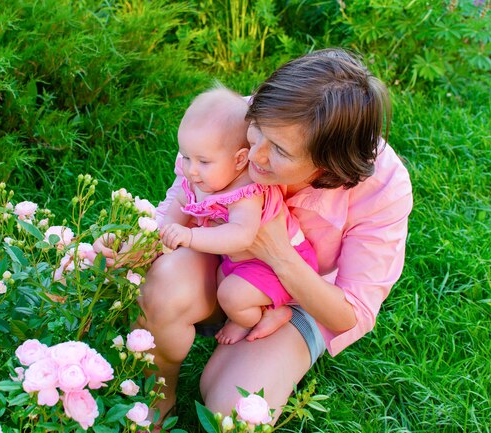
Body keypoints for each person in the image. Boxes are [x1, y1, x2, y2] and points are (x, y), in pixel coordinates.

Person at [109, 48, 412, 423]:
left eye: (280, 150)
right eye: (257, 133)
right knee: (164, 285)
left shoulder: (383, 185)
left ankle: (263, 330)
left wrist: (279, 254)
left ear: (327, 162)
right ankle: (156, 401)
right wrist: (139, 247)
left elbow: (350, 313)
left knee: (234, 411)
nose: (254, 155)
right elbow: (185, 192)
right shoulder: (243, 118)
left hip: (303, 293)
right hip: (219, 257)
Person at [159, 87, 319, 345]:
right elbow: (179, 204)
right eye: (186, 157)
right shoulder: (204, 180)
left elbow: (241, 236)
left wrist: (189, 235)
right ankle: (249, 311)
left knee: (231, 295)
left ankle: (269, 314)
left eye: (203, 161)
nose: (191, 170)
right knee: (222, 283)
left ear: (239, 159)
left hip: (275, 264)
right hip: (241, 262)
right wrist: (163, 232)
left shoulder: (247, 193)